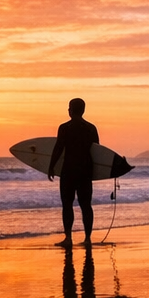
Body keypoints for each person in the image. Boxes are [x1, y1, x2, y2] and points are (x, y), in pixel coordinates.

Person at [48, 97, 98, 247]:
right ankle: (88, 239)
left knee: (67, 205)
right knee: (86, 205)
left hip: (68, 171)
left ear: (70, 110)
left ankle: (68, 238)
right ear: (83, 110)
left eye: (69, 108)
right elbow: (97, 151)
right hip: (85, 171)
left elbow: (58, 148)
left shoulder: (65, 128)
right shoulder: (90, 128)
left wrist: (51, 166)